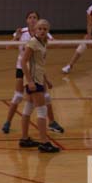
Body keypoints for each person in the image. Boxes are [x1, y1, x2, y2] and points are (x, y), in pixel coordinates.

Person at [1, 11, 64, 134]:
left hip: (37, 69)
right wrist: (16, 37)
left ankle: (52, 123)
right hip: (22, 67)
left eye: (35, 17)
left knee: (45, 96)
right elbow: (8, 47)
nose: (32, 19)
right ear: (26, 20)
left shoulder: (43, 32)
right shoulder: (22, 32)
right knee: (18, 96)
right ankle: (7, 122)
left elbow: (57, 43)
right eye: (30, 17)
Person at [18, 19, 60, 153]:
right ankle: (44, 142)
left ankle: (24, 139)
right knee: (42, 110)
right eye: (40, 29)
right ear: (35, 30)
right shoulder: (33, 43)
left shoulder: (42, 43)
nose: (42, 31)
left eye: (45, 29)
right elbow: (23, 62)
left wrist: (46, 80)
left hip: (38, 79)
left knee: (28, 108)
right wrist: (30, 81)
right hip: (34, 80)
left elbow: (39, 64)